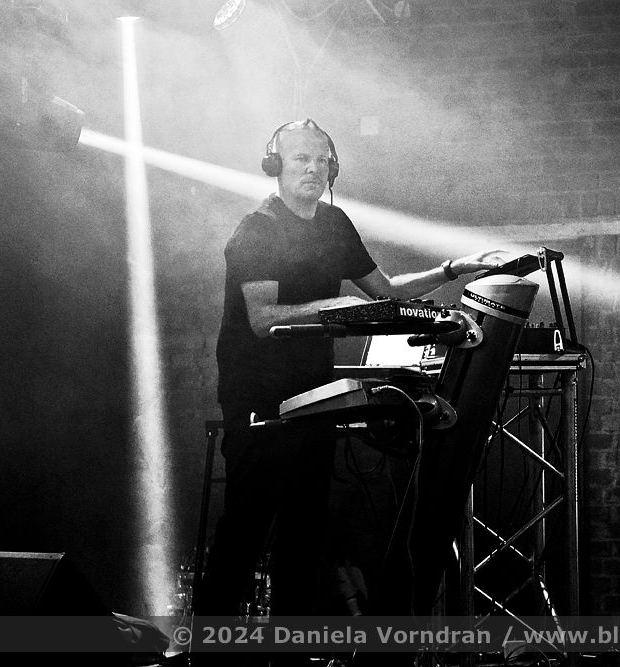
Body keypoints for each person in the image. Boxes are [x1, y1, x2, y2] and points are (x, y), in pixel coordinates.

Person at [195, 118, 505, 627]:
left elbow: (387, 291)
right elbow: (263, 319)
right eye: (302, 158)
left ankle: (292, 651)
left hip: (314, 393)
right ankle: (207, 648)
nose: (313, 169)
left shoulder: (335, 224)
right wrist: (333, 306)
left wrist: (454, 269)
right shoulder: (258, 229)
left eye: (322, 160)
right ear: (275, 164)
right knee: (247, 527)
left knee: (305, 531)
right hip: (258, 396)